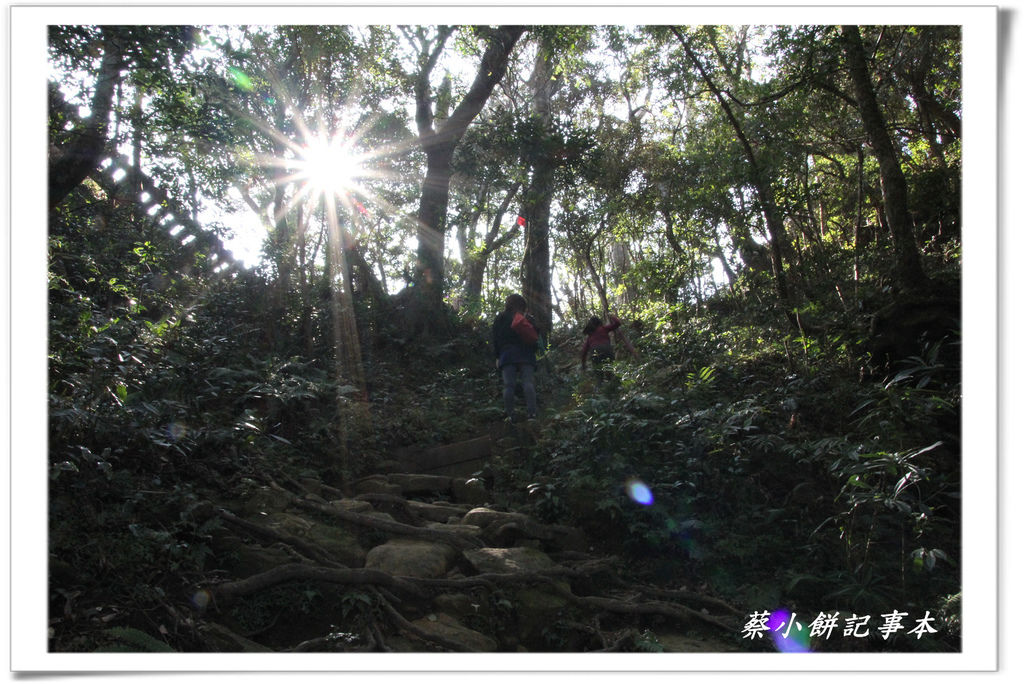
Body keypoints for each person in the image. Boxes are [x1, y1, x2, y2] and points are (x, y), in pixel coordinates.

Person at [492, 293, 539, 422]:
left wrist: (497, 356)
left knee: (509, 385)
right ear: (523, 306)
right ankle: (532, 414)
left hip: (507, 355)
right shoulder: (527, 318)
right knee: (528, 383)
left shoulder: (500, 318)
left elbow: (495, 339)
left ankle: (510, 415)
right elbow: (535, 337)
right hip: (527, 355)